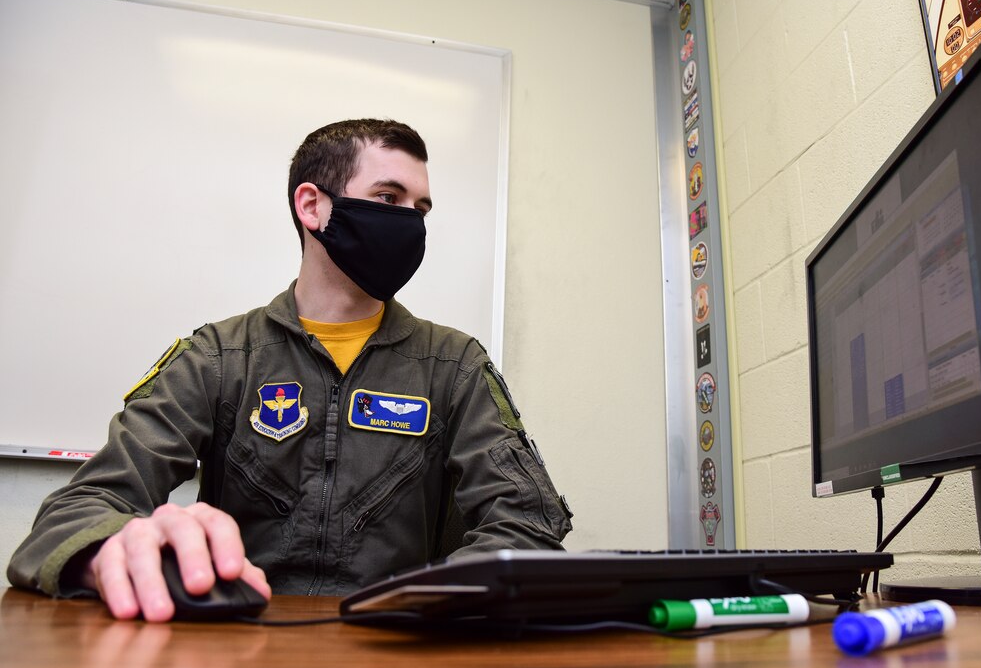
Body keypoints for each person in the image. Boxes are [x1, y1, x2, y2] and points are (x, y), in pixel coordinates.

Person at [7, 119, 573, 622]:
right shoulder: (219, 356)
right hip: (238, 647)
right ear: (312, 206)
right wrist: (113, 551)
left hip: (398, 650)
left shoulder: (455, 366)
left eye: (421, 209)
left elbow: (527, 524)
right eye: (388, 196)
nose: (411, 223)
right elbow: (72, 515)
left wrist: (433, 603)